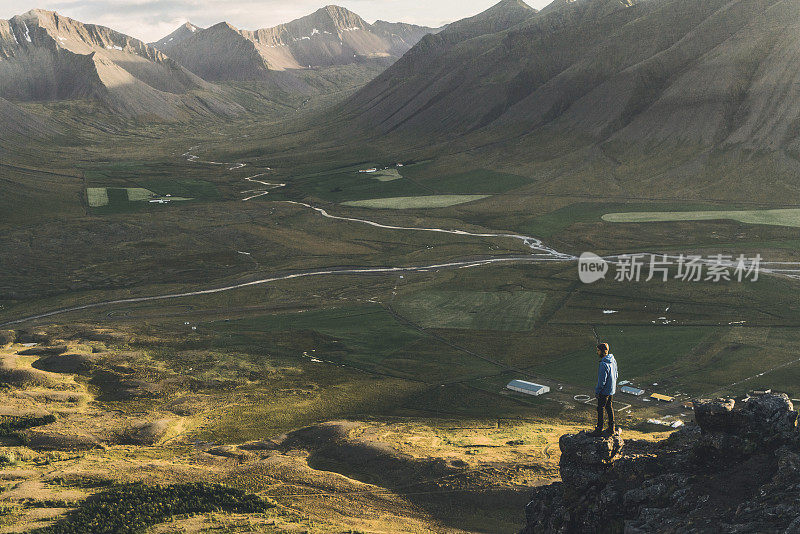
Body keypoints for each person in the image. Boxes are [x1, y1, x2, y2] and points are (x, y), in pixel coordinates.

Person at [590, 343, 618, 437]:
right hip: (611, 389)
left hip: (604, 391)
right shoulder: (612, 360)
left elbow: (602, 381)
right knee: (609, 407)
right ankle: (611, 428)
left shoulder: (603, 364)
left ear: (602, 351)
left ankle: (599, 429)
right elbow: (616, 374)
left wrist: (597, 391)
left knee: (600, 409)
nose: (597, 352)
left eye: (598, 350)